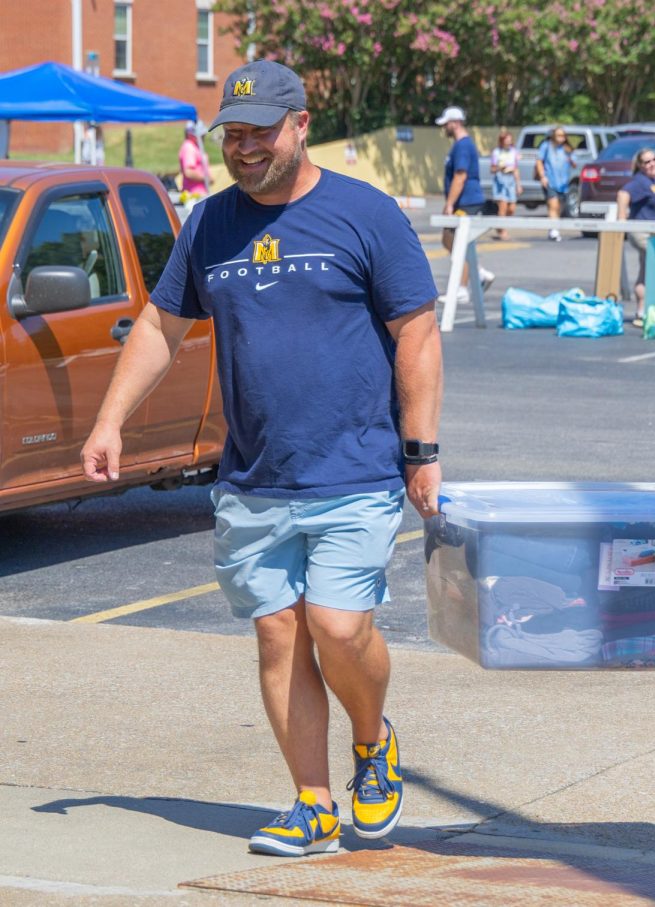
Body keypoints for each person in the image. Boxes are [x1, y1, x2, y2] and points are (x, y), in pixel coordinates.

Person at [80, 59, 444, 859]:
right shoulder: (210, 226)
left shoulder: (365, 215)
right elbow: (158, 328)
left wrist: (421, 450)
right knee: (279, 635)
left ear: (302, 124)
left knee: (338, 626)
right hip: (252, 476)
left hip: (353, 466)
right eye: (233, 135)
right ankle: (312, 803)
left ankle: (373, 739)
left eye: (260, 132)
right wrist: (110, 420)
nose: (244, 148)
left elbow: (415, 333)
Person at [436, 105, 494, 304]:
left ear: (455, 123)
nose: (444, 128)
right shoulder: (461, 145)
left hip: (466, 201)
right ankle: (479, 273)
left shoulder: (462, 146)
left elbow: (460, 176)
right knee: (452, 240)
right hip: (466, 201)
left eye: (446, 124)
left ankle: (462, 287)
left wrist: (449, 204)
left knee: (457, 240)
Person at [617, 147, 655, 328]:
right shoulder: (640, 181)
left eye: (654, 159)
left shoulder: (653, 180)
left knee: (646, 270)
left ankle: (641, 311)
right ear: (639, 166)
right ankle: (647, 309)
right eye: (646, 162)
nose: (652, 164)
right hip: (643, 233)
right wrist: (621, 219)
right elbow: (623, 194)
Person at [535, 125, 575, 242]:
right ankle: (554, 230)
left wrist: (571, 160)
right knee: (553, 204)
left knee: (560, 206)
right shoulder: (546, 146)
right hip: (550, 180)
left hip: (563, 182)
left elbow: (574, 163)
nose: (561, 137)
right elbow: (539, 161)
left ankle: (554, 226)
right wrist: (543, 176)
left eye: (563, 135)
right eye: (558, 135)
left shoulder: (567, 148)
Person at [490, 130, 521, 241]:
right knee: (502, 207)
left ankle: (500, 225)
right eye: (506, 140)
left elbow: (516, 169)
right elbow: (492, 169)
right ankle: (503, 231)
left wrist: (518, 184)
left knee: (511, 208)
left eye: (510, 140)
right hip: (501, 180)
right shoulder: (496, 152)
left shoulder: (514, 152)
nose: (508, 142)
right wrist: (500, 168)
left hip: (511, 181)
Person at [179, 121, 212, 198]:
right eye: (202, 135)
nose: (204, 136)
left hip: (199, 194)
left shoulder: (194, 147)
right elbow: (189, 172)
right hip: (194, 195)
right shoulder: (189, 147)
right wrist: (207, 179)